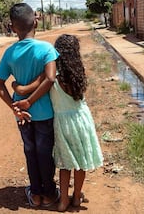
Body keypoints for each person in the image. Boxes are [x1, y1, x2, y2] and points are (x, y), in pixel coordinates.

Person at [12, 34, 104, 212]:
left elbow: (26, 89)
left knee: (64, 163)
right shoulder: (78, 71)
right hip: (82, 119)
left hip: (63, 123)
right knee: (80, 161)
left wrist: (16, 86)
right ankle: (76, 197)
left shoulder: (52, 73)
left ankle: (62, 201)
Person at [0, 3, 60, 208]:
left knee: (30, 151)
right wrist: (30, 100)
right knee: (45, 152)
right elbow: (50, 78)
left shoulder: (10, 53)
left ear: (13, 28)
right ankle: (49, 194)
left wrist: (15, 106)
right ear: (36, 21)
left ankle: (36, 193)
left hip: (22, 115)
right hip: (44, 112)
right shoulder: (46, 48)